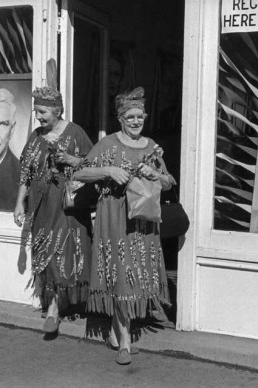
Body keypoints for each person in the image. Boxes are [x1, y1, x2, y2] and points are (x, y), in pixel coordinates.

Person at [73, 87, 176, 365]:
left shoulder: (152, 146)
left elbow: (169, 183)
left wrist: (154, 173)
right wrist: (108, 170)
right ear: (120, 118)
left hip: (142, 221)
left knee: (135, 274)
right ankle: (125, 341)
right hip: (114, 218)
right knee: (120, 275)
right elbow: (79, 172)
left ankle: (117, 334)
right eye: (129, 116)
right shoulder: (107, 145)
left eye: (139, 116)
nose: (135, 121)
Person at [13, 86, 94, 334]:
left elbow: (93, 165)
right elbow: (25, 173)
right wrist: (19, 203)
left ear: (57, 110)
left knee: (62, 252)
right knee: (45, 252)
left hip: (66, 206)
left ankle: (55, 310)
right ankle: (61, 303)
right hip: (41, 205)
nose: (38, 116)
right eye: (37, 111)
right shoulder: (36, 135)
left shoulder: (75, 133)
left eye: (43, 111)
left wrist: (68, 158)